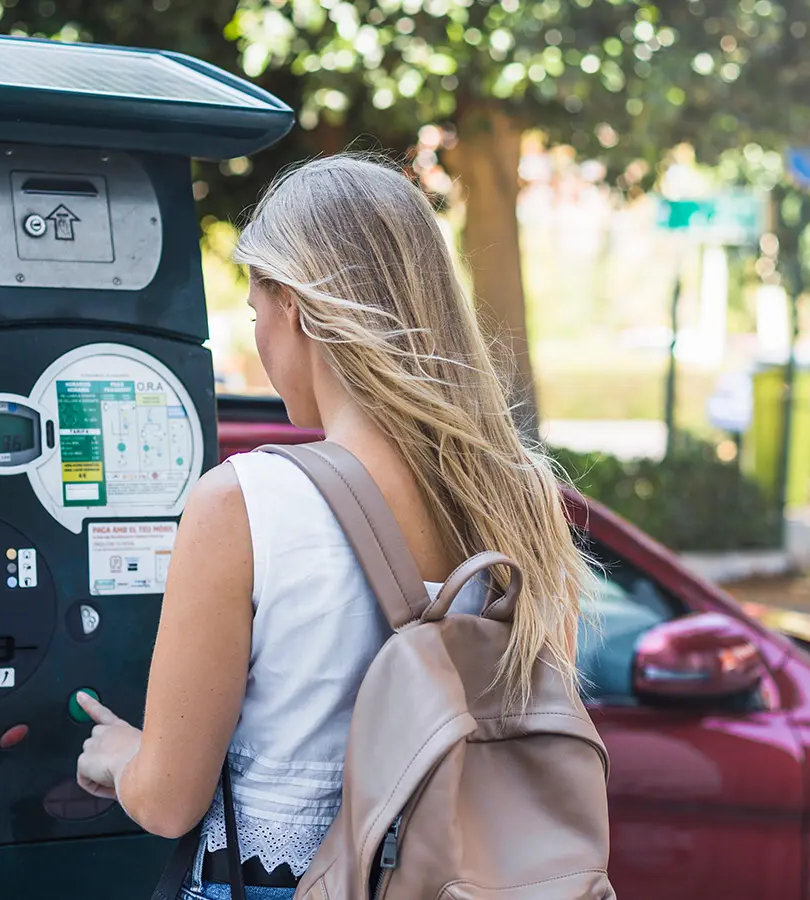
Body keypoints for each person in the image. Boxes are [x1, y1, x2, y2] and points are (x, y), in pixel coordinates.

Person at [73, 155, 593, 900]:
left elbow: (167, 801)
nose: (260, 337)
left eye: (255, 313)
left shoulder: (243, 503)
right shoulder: (523, 497)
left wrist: (121, 754)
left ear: (293, 306)